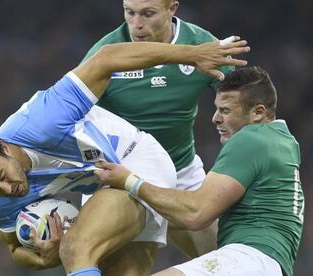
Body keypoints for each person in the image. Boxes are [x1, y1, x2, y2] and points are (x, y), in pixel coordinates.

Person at [0, 39, 249, 276]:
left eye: (1, 177)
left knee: (77, 248)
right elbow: (14, 250)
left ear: (4, 147)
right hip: (101, 186)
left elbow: (106, 59)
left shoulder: (44, 118)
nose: (7, 190)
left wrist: (190, 55)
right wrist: (42, 257)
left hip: (136, 159)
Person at [95, 66, 304, 276]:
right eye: (217, 109)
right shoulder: (283, 141)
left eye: (225, 110)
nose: (215, 118)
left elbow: (196, 213)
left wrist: (129, 181)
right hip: (269, 265)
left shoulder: (251, 138)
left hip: (250, 259)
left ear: (258, 113)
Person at [81, 0, 235, 257]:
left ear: (172, 9)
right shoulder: (105, 53)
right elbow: (70, 111)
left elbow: (243, 98)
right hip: (120, 175)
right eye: (129, 13)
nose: (137, 24)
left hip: (182, 173)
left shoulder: (200, 43)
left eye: (148, 14)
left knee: (224, 262)